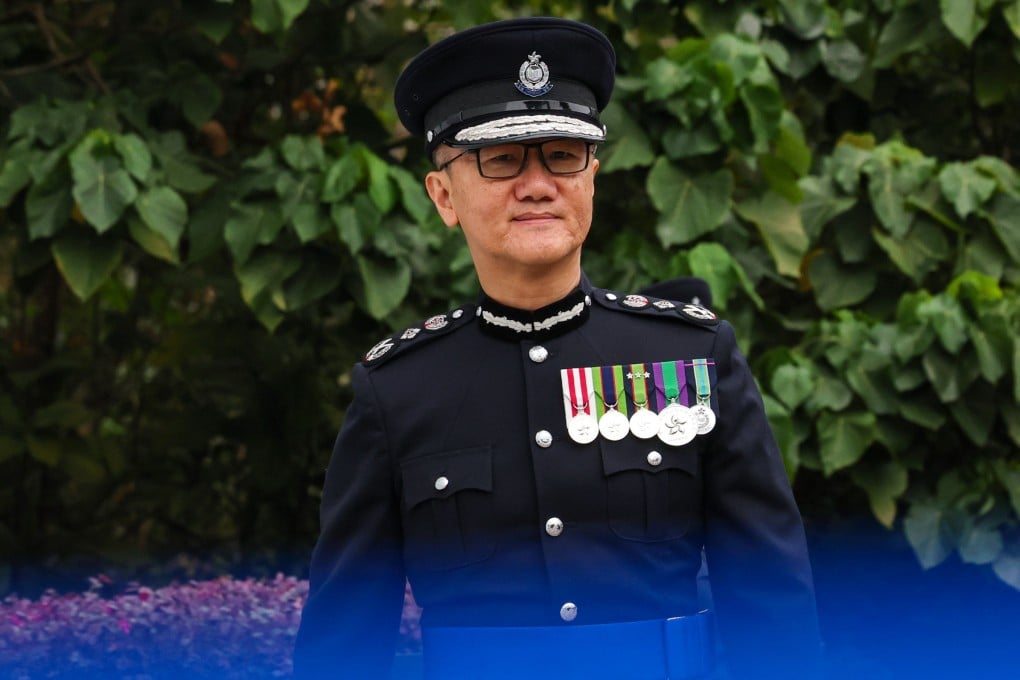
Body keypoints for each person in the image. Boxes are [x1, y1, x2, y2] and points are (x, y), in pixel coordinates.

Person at [294, 16, 822, 680]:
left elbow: (773, 605)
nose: (538, 183)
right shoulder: (397, 391)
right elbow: (343, 645)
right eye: (503, 158)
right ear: (443, 195)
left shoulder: (690, 357)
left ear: (591, 179)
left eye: (563, 154)